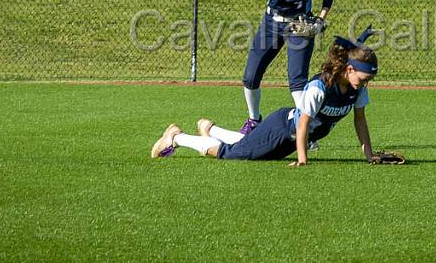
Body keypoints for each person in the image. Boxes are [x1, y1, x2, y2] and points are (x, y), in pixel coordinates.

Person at [152, 31, 378, 167]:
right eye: (364, 77)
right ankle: (177, 137)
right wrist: (302, 159)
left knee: (250, 150)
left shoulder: (356, 89)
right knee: (233, 155)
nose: (366, 83)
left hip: (291, 137)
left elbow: (360, 120)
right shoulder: (320, 87)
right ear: (349, 69)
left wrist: (369, 155)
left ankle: (211, 130)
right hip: (282, 128)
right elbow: (303, 123)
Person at [239, 0, 340, 135]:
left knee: (297, 80)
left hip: (299, 25)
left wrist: (321, 18)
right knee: (251, 76)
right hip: (272, 22)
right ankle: (253, 120)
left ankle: (305, 130)